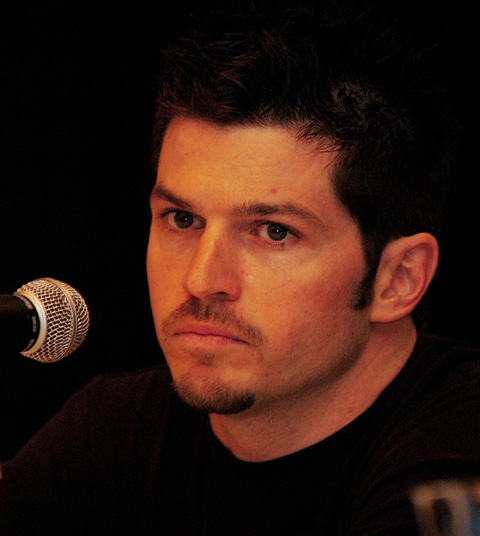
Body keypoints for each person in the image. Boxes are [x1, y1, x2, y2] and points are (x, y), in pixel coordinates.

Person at [1, 1, 479, 534]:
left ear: (399, 278)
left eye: (274, 231)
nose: (203, 280)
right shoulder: (110, 434)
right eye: (182, 219)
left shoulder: (455, 468)